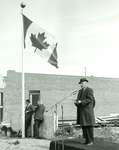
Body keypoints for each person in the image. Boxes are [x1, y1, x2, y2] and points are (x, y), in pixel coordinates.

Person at [74, 78, 95, 145]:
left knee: (89, 126)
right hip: (82, 112)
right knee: (84, 126)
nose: (81, 85)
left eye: (82, 83)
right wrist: (76, 102)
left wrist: (81, 101)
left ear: (86, 83)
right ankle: (86, 140)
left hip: (87, 112)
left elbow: (90, 100)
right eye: (81, 83)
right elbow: (78, 100)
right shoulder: (80, 91)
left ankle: (90, 141)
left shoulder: (89, 90)